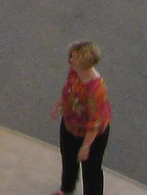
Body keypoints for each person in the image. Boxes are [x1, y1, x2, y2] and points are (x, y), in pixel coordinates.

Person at [52, 41, 111, 195]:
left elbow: (95, 123)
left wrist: (86, 146)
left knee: (91, 170)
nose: (70, 60)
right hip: (71, 124)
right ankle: (67, 188)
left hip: (92, 135)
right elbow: (68, 90)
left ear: (83, 63)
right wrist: (59, 105)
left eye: (73, 57)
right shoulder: (75, 71)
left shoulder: (96, 89)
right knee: (68, 159)